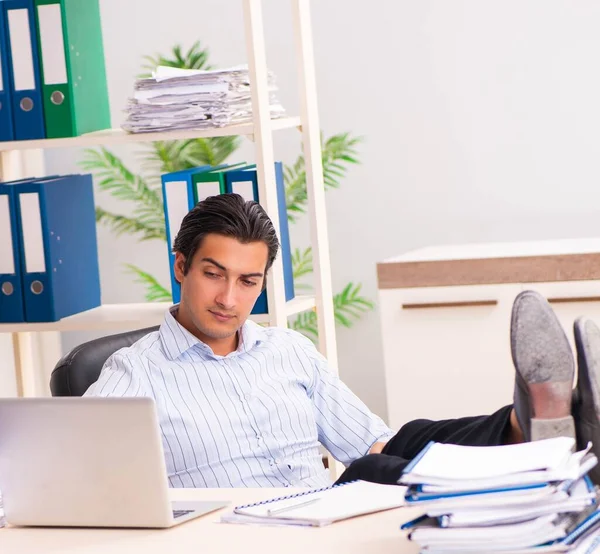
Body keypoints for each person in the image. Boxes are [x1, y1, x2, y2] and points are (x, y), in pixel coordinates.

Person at [85, 194, 600, 488]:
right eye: (213, 275)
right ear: (181, 267)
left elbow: (373, 445)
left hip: (326, 521)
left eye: (248, 281)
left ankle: (526, 421)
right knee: (378, 469)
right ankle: (532, 441)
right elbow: (61, 479)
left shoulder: (287, 351)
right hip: (237, 536)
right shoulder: (133, 376)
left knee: (406, 441)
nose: (228, 298)